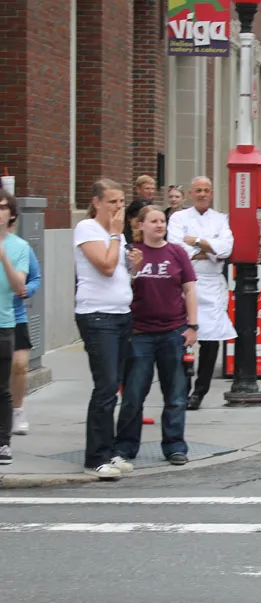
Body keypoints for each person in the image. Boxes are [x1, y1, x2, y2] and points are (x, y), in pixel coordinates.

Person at [115, 206, 198, 466]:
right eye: (153, 221)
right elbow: (121, 287)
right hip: (139, 334)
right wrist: (134, 268)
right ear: (140, 225)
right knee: (133, 395)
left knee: (176, 395)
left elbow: (189, 290)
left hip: (173, 332)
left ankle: (175, 446)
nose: (159, 225)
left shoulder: (177, 252)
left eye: (162, 221)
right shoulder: (131, 252)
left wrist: (192, 326)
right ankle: (125, 446)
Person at [74, 179, 144, 479]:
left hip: (121, 314)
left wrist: (135, 266)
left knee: (117, 385)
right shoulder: (87, 229)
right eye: (112, 201)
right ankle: (96, 457)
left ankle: (110, 449)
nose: (118, 207)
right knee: (105, 386)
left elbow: (120, 273)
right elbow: (104, 266)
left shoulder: (117, 235)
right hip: (97, 316)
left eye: (121, 202)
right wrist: (116, 235)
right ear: (97, 202)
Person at [167, 176, 237, 411]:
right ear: (190, 193)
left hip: (212, 284)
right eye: (198, 190)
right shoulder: (178, 218)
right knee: (182, 338)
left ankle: (200, 391)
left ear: (212, 193)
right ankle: (182, 388)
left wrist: (195, 242)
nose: (202, 194)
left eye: (206, 190)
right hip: (185, 284)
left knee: (211, 340)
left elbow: (226, 249)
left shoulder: (221, 219)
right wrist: (209, 248)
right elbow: (177, 249)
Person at [6, 201, 41, 437]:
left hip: (15, 314)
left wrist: (27, 290)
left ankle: (18, 410)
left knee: (19, 364)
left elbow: (36, 278)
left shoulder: (21, 247)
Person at [0, 191, 28, 464]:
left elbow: (20, 287)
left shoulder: (19, 247)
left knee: (2, 388)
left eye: (2, 207)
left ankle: (3, 443)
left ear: (11, 214)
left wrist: (3, 256)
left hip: (3, 323)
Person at [124, 174, 156, 244]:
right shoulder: (136, 206)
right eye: (147, 188)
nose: (150, 191)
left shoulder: (152, 205)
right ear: (138, 190)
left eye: (152, 188)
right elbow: (135, 226)